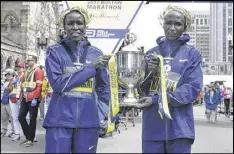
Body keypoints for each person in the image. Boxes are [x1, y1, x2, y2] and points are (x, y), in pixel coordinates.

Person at [135, 5, 203, 153]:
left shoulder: (192, 54)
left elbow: (192, 88)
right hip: (152, 129)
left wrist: (157, 100)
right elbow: (140, 91)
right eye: (168, 23)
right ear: (163, 24)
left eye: (177, 24)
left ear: (185, 26)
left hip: (180, 129)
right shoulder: (150, 54)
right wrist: (148, 73)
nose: (172, 28)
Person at [43, 7, 111, 153]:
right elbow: (58, 84)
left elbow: (104, 87)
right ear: (64, 27)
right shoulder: (54, 51)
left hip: (88, 123)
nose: (75, 27)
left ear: (85, 27)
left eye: (79, 23)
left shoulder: (96, 53)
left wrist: (100, 113)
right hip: (59, 121)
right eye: (70, 23)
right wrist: (90, 68)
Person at [18, 55, 44, 147]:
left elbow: (39, 86)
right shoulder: (27, 71)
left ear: (34, 61)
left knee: (32, 119)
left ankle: (30, 139)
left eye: (29, 60)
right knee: (21, 117)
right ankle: (29, 136)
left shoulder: (38, 71)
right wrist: (21, 95)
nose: (27, 61)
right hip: (25, 97)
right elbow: (23, 84)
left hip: (33, 98)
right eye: (27, 60)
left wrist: (35, 98)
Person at [8, 63, 30, 141]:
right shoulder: (14, 78)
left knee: (26, 117)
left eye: (20, 67)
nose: (19, 69)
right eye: (17, 67)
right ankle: (17, 133)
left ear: (24, 68)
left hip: (23, 99)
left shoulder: (26, 77)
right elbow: (9, 88)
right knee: (15, 117)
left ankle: (29, 134)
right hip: (13, 99)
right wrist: (12, 84)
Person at [1, 69, 15, 137]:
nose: (6, 76)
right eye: (6, 75)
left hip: (10, 102)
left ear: (10, 74)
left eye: (7, 74)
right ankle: (3, 130)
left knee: (12, 117)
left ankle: (14, 131)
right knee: (4, 117)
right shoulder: (4, 82)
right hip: (3, 102)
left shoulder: (13, 82)